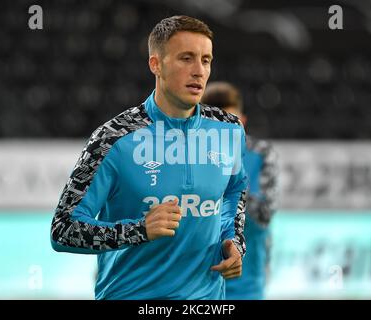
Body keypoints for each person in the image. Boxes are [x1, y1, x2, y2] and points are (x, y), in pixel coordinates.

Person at [50, 16, 248, 300]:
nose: (199, 71)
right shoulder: (113, 138)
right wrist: (138, 230)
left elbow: (234, 192)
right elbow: (63, 229)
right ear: (156, 65)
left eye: (206, 60)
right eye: (186, 58)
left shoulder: (229, 129)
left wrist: (233, 241)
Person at [202, 81, 278, 300]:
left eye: (230, 124)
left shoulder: (261, 154)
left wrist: (230, 178)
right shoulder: (188, 155)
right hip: (197, 287)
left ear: (242, 122)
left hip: (245, 286)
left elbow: (264, 215)